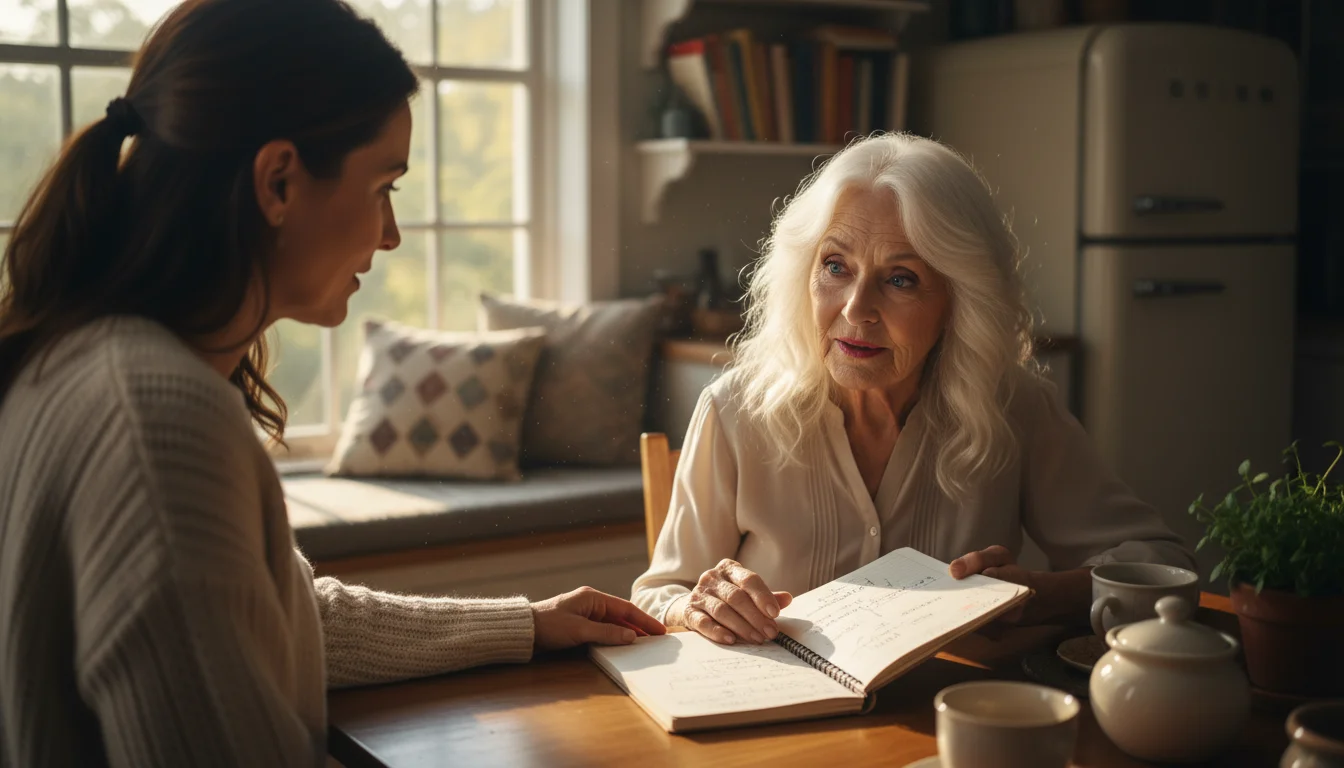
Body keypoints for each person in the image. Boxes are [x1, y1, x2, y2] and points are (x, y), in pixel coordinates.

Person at [0, 1, 663, 765]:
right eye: (385, 185)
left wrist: (528, 623)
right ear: (278, 180)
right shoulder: (156, 420)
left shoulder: (87, 357)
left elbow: (279, 619)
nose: (390, 234)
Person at [631, 133, 1194, 647]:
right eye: (835, 266)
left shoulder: (1015, 408)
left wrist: (1040, 595)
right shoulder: (734, 410)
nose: (856, 309)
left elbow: (1165, 567)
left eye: (901, 279)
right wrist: (699, 606)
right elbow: (661, 594)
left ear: (959, 301)